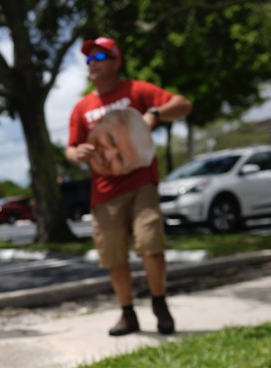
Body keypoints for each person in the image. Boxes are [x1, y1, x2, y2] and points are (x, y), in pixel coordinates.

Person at [66, 37, 192, 336]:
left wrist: (154, 114)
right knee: (114, 255)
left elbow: (183, 104)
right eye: (88, 59)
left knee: (150, 243)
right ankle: (127, 314)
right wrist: (77, 154)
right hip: (104, 192)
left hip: (141, 183)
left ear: (116, 61)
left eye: (99, 56)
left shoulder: (137, 90)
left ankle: (159, 304)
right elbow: (71, 148)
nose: (93, 63)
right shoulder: (82, 107)